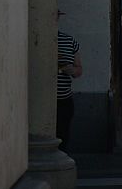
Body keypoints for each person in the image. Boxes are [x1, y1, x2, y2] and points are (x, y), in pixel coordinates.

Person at [55, 10, 82, 153]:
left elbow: (79, 70)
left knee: (63, 136)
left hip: (64, 99)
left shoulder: (69, 41)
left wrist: (70, 69)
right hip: (44, 98)